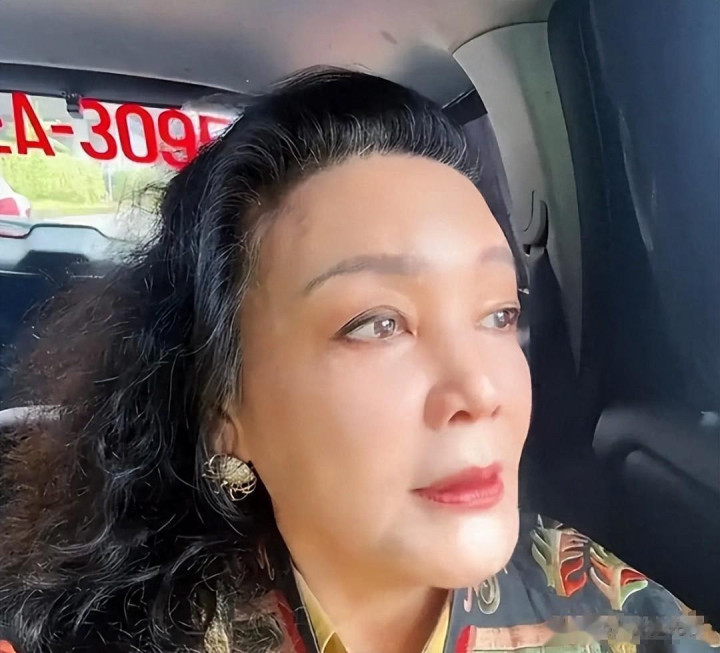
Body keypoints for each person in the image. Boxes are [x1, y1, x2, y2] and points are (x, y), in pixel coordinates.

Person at [0, 68, 716, 653]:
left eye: (499, 314)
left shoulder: (626, 622)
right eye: (378, 324)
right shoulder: (115, 635)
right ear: (223, 406)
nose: (480, 391)